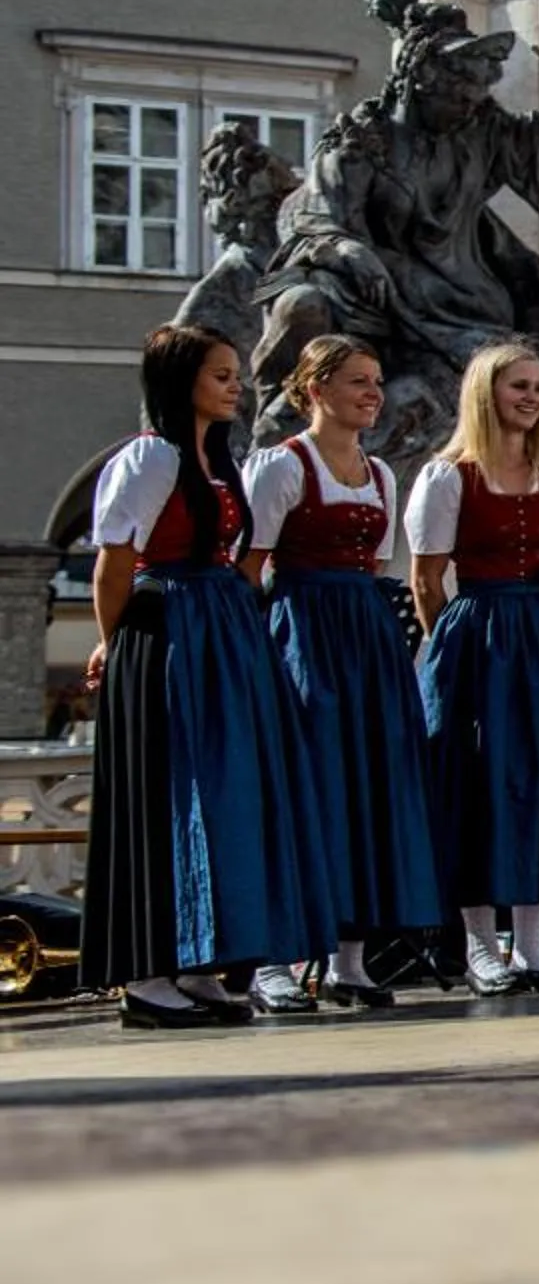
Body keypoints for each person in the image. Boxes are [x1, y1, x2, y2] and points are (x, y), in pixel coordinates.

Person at [79, 324, 338, 1030]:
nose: (235, 386)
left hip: (221, 634)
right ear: (180, 380)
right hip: (170, 637)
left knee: (224, 792)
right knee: (169, 792)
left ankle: (198, 958)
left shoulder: (217, 461)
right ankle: (147, 973)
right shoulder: (151, 459)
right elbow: (114, 566)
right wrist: (118, 647)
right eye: (221, 374)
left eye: (234, 374)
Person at [240, 336, 443, 1010]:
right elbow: (251, 570)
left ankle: (348, 961)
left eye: (377, 381)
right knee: (308, 789)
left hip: (365, 636)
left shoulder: (380, 473)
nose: (373, 393)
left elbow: (379, 567)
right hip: (303, 629)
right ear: (315, 389)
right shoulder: (281, 466)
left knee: (365, 788)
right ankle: (276, 959)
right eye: (358, 380)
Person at [408, 341, 539, 996]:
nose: (530, 397)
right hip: (479, 635)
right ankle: (478, 944)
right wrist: (456, 652)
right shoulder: (449, 476)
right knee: (482, 786)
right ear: (485, 395)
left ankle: (530, 946)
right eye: (517, 385)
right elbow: (428, 579)